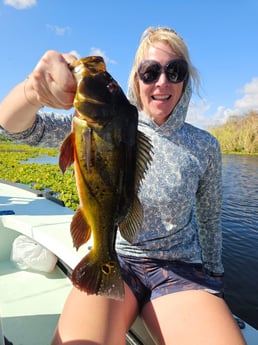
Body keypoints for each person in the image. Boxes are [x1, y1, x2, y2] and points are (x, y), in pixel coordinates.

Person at [0, 27, 246, 345]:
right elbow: (14, 129)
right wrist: (31, 94)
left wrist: (214, 279)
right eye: (150, 71)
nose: (162, 81)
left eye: (175, 71)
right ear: (135, 78)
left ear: (186, 79)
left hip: (180, 270)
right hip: (118, 259)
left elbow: (210, 222)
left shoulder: (204, 145)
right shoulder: (100, 121)